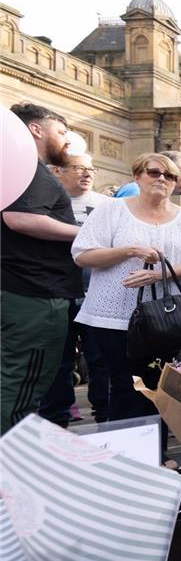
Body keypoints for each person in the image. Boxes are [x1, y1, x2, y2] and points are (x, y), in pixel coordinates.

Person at [72, 153, 181, 424]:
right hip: (112, 316)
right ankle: (127, 452)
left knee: (160, 385)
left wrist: (158, 275)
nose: (162, 179)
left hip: (168, 319)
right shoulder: (111, 210)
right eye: (154, 172)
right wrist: (130, 250)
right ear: (137, 176)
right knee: (124, 384)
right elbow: (82, 255)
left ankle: (157, 451)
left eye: (169, 176)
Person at [1, 103, 82, 434]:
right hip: (34, 295)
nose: (67, 141)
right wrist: (85, 234)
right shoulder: (30, 170)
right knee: (22, 385)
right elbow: (19, 219)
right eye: (61, 131)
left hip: (20, 291)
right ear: (35, 130)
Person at [39, 151, 111, 426]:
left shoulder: (107, 205)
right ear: (57, 171)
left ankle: (107, 420)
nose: (88, 173)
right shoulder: (46, 202)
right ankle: (56, 424)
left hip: (98, 294)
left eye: (91, 169)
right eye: (79, 168)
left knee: (101, 361)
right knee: (59, 362)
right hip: (57, 292)